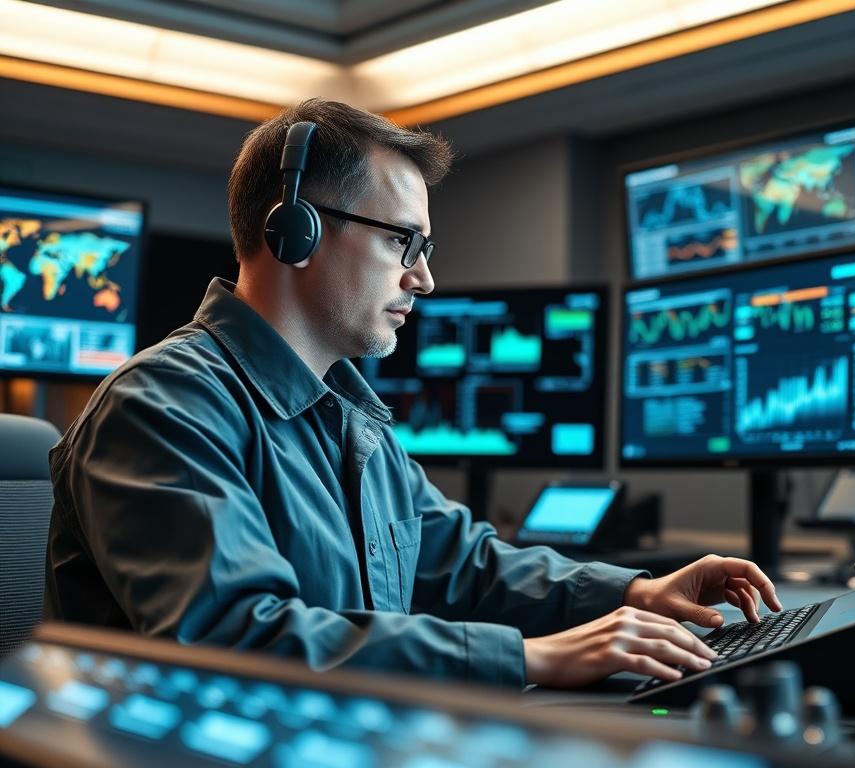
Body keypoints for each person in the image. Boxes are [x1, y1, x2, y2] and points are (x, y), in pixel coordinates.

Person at [46, 98, 782, 689]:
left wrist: (634, 593)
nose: (423, 279)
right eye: (404, 242)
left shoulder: (346, 418)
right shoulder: (161, 406)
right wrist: (530, 658)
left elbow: (464, 561)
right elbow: (237, 637)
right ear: (295, 230)